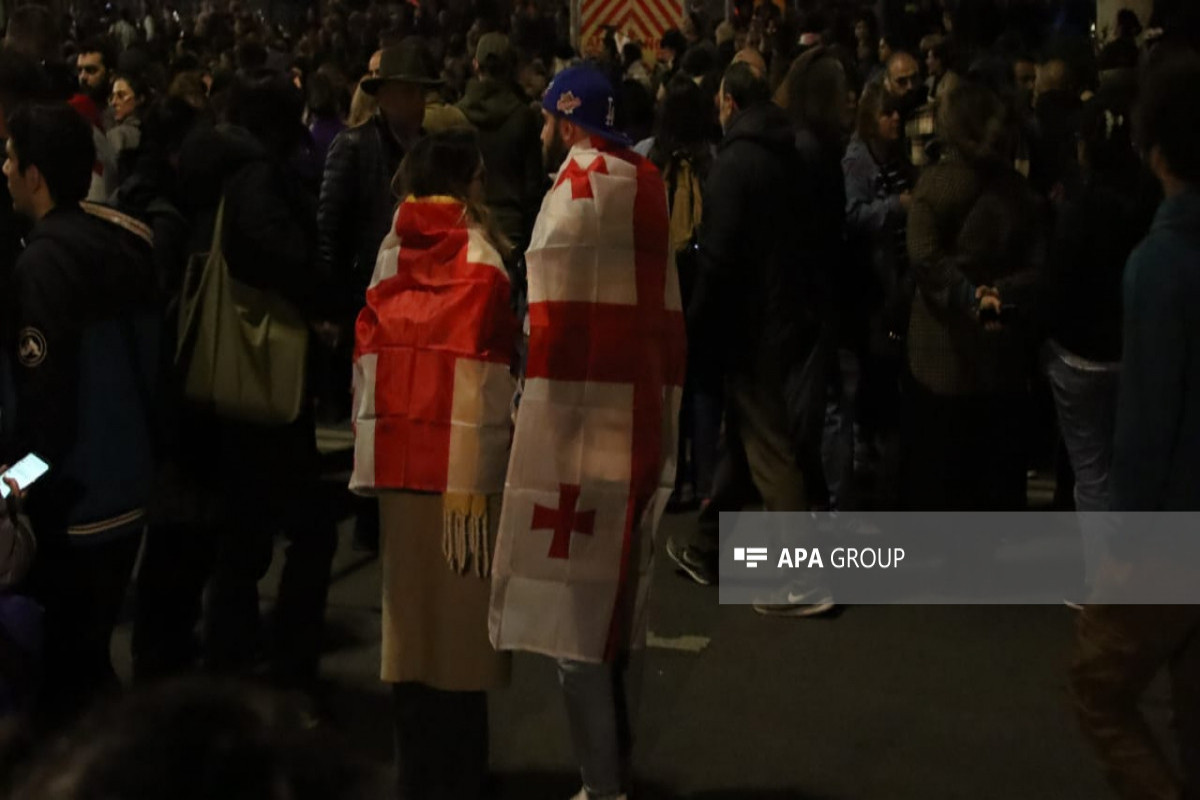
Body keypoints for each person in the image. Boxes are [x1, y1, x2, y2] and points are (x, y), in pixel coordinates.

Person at [489, 65, 685, 800]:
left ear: (570, 122)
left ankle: (603, 785)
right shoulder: (645, 183)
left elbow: (553, 326)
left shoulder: (570, 197)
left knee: (577, 627)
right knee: (613, 612)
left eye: (548, 119)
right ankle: (614, 770)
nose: (544, 132)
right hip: (632, 421)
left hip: (576, 432)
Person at [133, 73, 334, 696]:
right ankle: (254, 664)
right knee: (281, 531)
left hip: (205, 379)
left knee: (226, 534)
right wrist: (320, 292)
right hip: (255, 375)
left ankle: (220, 658)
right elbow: (269, 252)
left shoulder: (204, 166)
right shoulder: (255, 175)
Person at [351, 128, 517, 800]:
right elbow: (496, 367)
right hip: (463, 481)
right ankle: (462, 780)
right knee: (462, 646)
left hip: (399, 466)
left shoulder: (391, 251)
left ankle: (415, 779)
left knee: (410, 637)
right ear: (471, 181)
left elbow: (369, 358)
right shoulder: (485, 261)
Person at [2, 103, 159, 729]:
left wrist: (12, 486)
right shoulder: (126, 239)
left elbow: (49, 412)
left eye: (12, 159)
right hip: (132, 484)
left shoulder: (41, 265)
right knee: (91, 657)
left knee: (67, 675)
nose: (5, 169)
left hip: (76, 501)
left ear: (35, 175)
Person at [1070, 54, 1200, 800]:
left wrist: (1121, 545)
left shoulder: (1160, 264)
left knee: (1099, 687)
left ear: (1154, 152)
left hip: (1174, 528)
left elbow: (1148, 422)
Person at [683, 62, 830, 611]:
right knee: (749, 439)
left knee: (767, 445)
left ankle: (804, 577)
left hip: (750, 324)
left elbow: (718, 258)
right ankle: (708, 546)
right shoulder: (792, 153)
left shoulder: (734, 164)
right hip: (786, 313)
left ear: (726, 102)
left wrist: (696, 322)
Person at [319, 38, 438, 553]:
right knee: (372, 411)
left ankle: (391, 506)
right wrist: (331, 306)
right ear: (388, 95)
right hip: (369, 300)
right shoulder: (354, 147)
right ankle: (370, 515)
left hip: (415, 297)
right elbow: (331, 228)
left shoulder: (427, 147)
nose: (416, 103)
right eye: (408, 92)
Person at [901, 81, 1040, 512]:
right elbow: (1039, 263)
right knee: (991, 476)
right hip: (1000, 351)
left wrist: (964, 293)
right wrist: (998, 293)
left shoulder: (935, 185)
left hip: (939, 352)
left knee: (942, 471)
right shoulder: (1019, 191)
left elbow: (923, 255)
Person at [1040, 91, 1157, 596]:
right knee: (1129, 465)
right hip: (1133, 349)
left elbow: (1060, 284)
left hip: (1081, 354)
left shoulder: (1081, 210)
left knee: (1091, 470)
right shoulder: (1151, 204)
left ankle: (1104, 585)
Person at [841, 81, 915, 507]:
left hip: (893, 283)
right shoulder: (859, 161)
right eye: (887, 113)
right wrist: (895, 208)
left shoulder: (895, 160)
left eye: (898, 113)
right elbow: (852, 216)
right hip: (870, 284)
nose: (895, 120)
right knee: (871, 379)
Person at [456, 32, 546, 262]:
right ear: (512, 69)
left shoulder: (458, 115)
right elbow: (532, 186)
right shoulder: (524, 117)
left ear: (476, 66)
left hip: (467, 225)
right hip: (511, 229)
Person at [107, 72, 149, 177]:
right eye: (112, 97)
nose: (114, 102)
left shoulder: (118, 135)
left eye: (121, 96)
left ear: (139, 99)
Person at [75, 38, 116, 123]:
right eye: (79, 70)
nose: (83, 77)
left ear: (111, 75)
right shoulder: (75, 111)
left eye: (91, 70)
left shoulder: (119, 116)